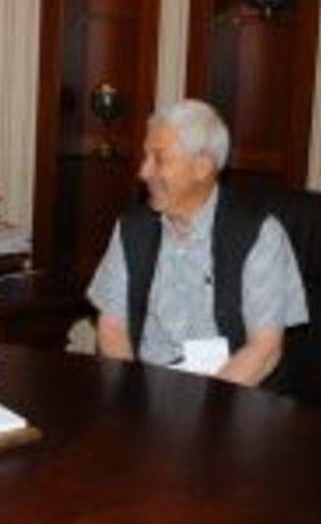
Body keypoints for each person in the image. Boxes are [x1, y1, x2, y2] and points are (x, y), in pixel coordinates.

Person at [86, 99, 308, 386]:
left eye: (159, 158)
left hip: (229, 391)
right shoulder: (131, 230)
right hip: (145, 391)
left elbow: (264, 350)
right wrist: (129, 396)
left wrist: (207, 407)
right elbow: (112, 326)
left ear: (202, 167)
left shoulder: (259, 235)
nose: (143, 172)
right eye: (145, 157)